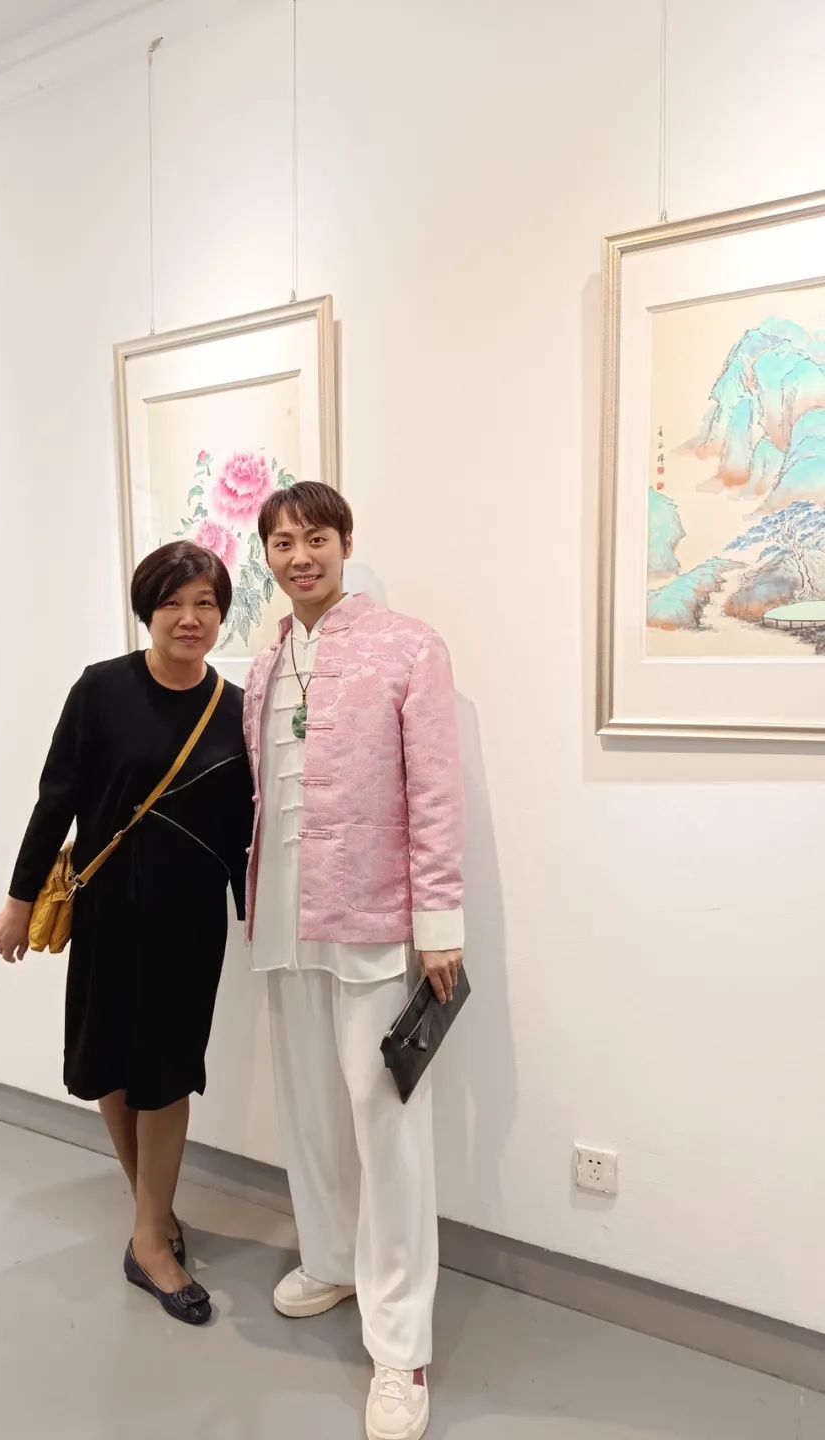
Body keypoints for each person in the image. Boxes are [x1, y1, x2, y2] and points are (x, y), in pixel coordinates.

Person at [243, 483, 464, 1440]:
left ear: (344, 542)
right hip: (281, 919)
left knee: (387, 1124)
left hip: (372, 916)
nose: (300, 558)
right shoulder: (265, 662)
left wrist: (440, 921)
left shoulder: (410, 647)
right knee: (307, 1109)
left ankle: (402, 1347)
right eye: (282, 543)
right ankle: (332, 1259)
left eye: (316, 539)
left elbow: (436, 791)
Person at [0, 541, 253, 1327]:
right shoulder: (102, 690)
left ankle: (148, 1239)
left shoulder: (237, 708)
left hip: (189, 919)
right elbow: (56, 798)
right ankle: (153, 1215)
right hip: (108, 907)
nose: (189, 618)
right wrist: (18, 899)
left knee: (166, 1074)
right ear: (147, 611)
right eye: (173, 602)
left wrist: (257, 912)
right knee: (109, 1058)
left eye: (205, 603)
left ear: (221, 615)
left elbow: (244, 827)